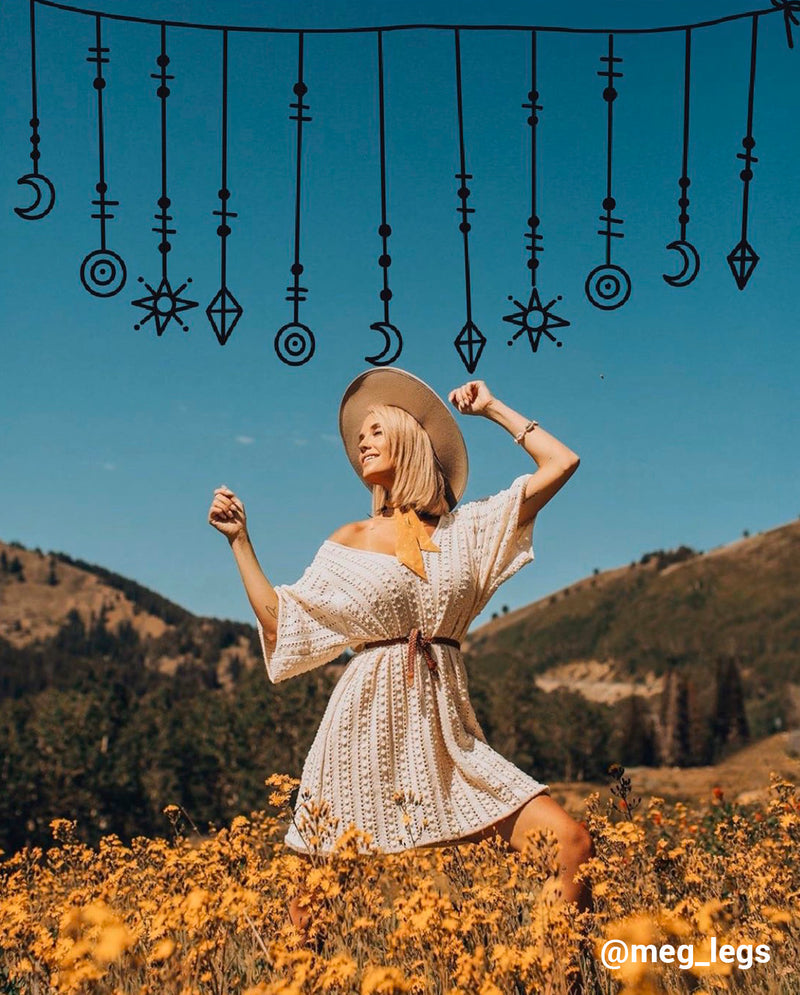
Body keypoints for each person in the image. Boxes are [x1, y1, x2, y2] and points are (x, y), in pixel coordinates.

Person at [208, 369, 594, 941]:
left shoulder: (469, 530)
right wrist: (241, 541)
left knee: (570, 842)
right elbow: (282, 623)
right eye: (359, 437)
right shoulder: (350, 539)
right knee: (308, 910)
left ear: (410, 439)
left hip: (448, 731)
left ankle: (553, 974)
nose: (361, 444)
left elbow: (560, 463)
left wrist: (492, 410)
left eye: (374, 431)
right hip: (361, 725)